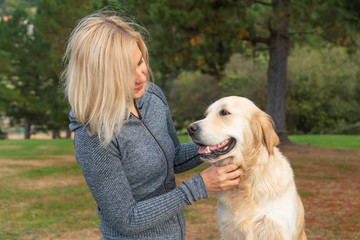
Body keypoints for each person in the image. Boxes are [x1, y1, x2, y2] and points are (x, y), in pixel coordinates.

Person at [62, 11, 242, 240]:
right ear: (100, 76)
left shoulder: (152, 96)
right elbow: (127, 220)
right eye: (126, 71)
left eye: (140, 61)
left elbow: (172, 156)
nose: (141, 76)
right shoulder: (94, 137)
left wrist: (216, 144)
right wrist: (199, 186)